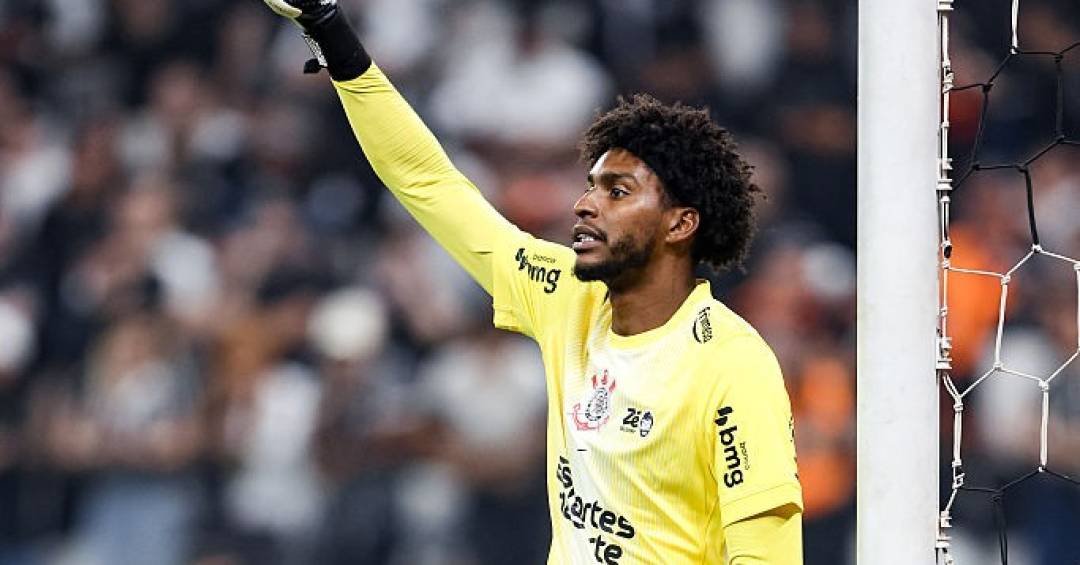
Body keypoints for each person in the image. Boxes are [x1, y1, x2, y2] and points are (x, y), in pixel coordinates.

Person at [261, 0, 803, 562]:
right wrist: (332, 34)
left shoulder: (732, 364)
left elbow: (767, 554)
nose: (585, 205)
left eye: (617, 192)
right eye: (591, 186)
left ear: (680, 224)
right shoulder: (566, 296)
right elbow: (429, 183)